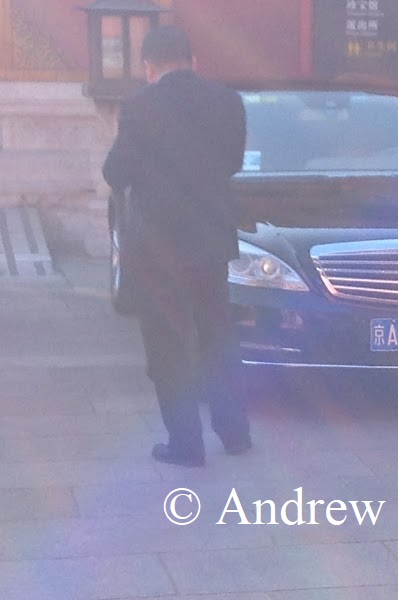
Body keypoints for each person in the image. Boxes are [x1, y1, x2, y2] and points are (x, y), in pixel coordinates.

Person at [103, 25, 251, 467]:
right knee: (217, 336)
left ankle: (186, 444)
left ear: (149, 66)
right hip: (210, 240)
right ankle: (235, 433)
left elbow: (115, 173)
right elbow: (233, 162)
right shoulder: (228, 101)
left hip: (157, 248)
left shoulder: (139, 106)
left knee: (167, 344)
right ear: (193, 61)